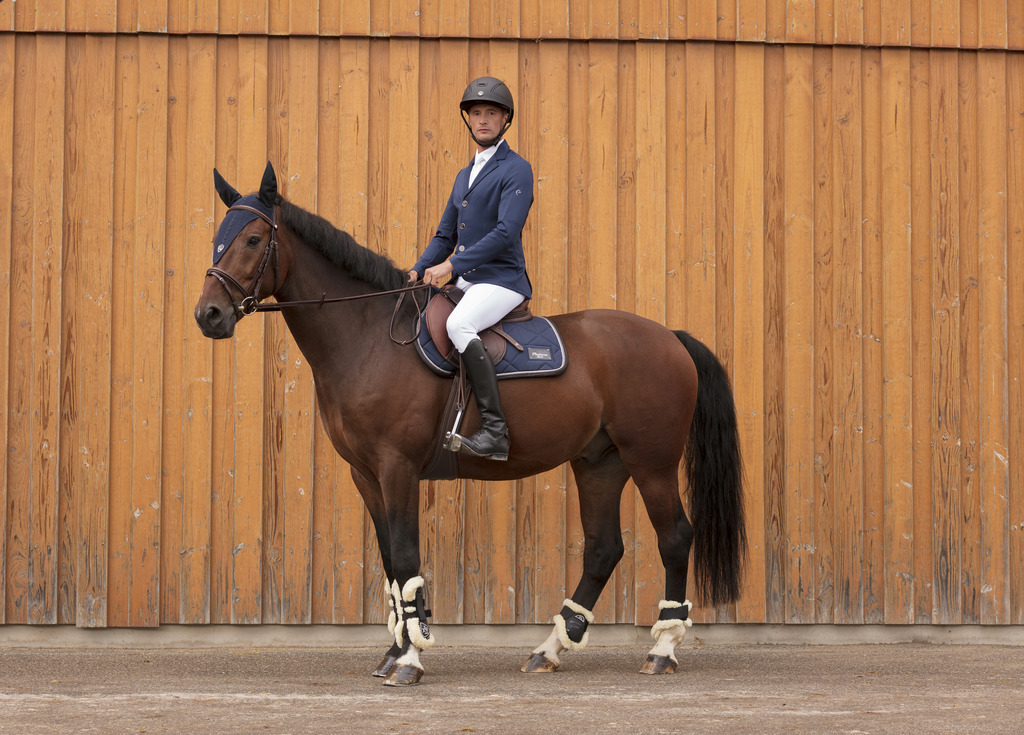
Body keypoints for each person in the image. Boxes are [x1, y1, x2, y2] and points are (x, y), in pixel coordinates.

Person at [408, 76, 535, 461]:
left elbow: (505, 231)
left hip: (502, 279)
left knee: (457, 325)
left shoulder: (517, 169)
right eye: (476, 113)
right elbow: (445, 233)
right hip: (468, 279)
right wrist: (415, 271)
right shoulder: (465, 175)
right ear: (468, 119)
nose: (483, 120)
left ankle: (495, 431)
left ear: (505, 120)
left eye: (491, 113)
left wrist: (451, 266)